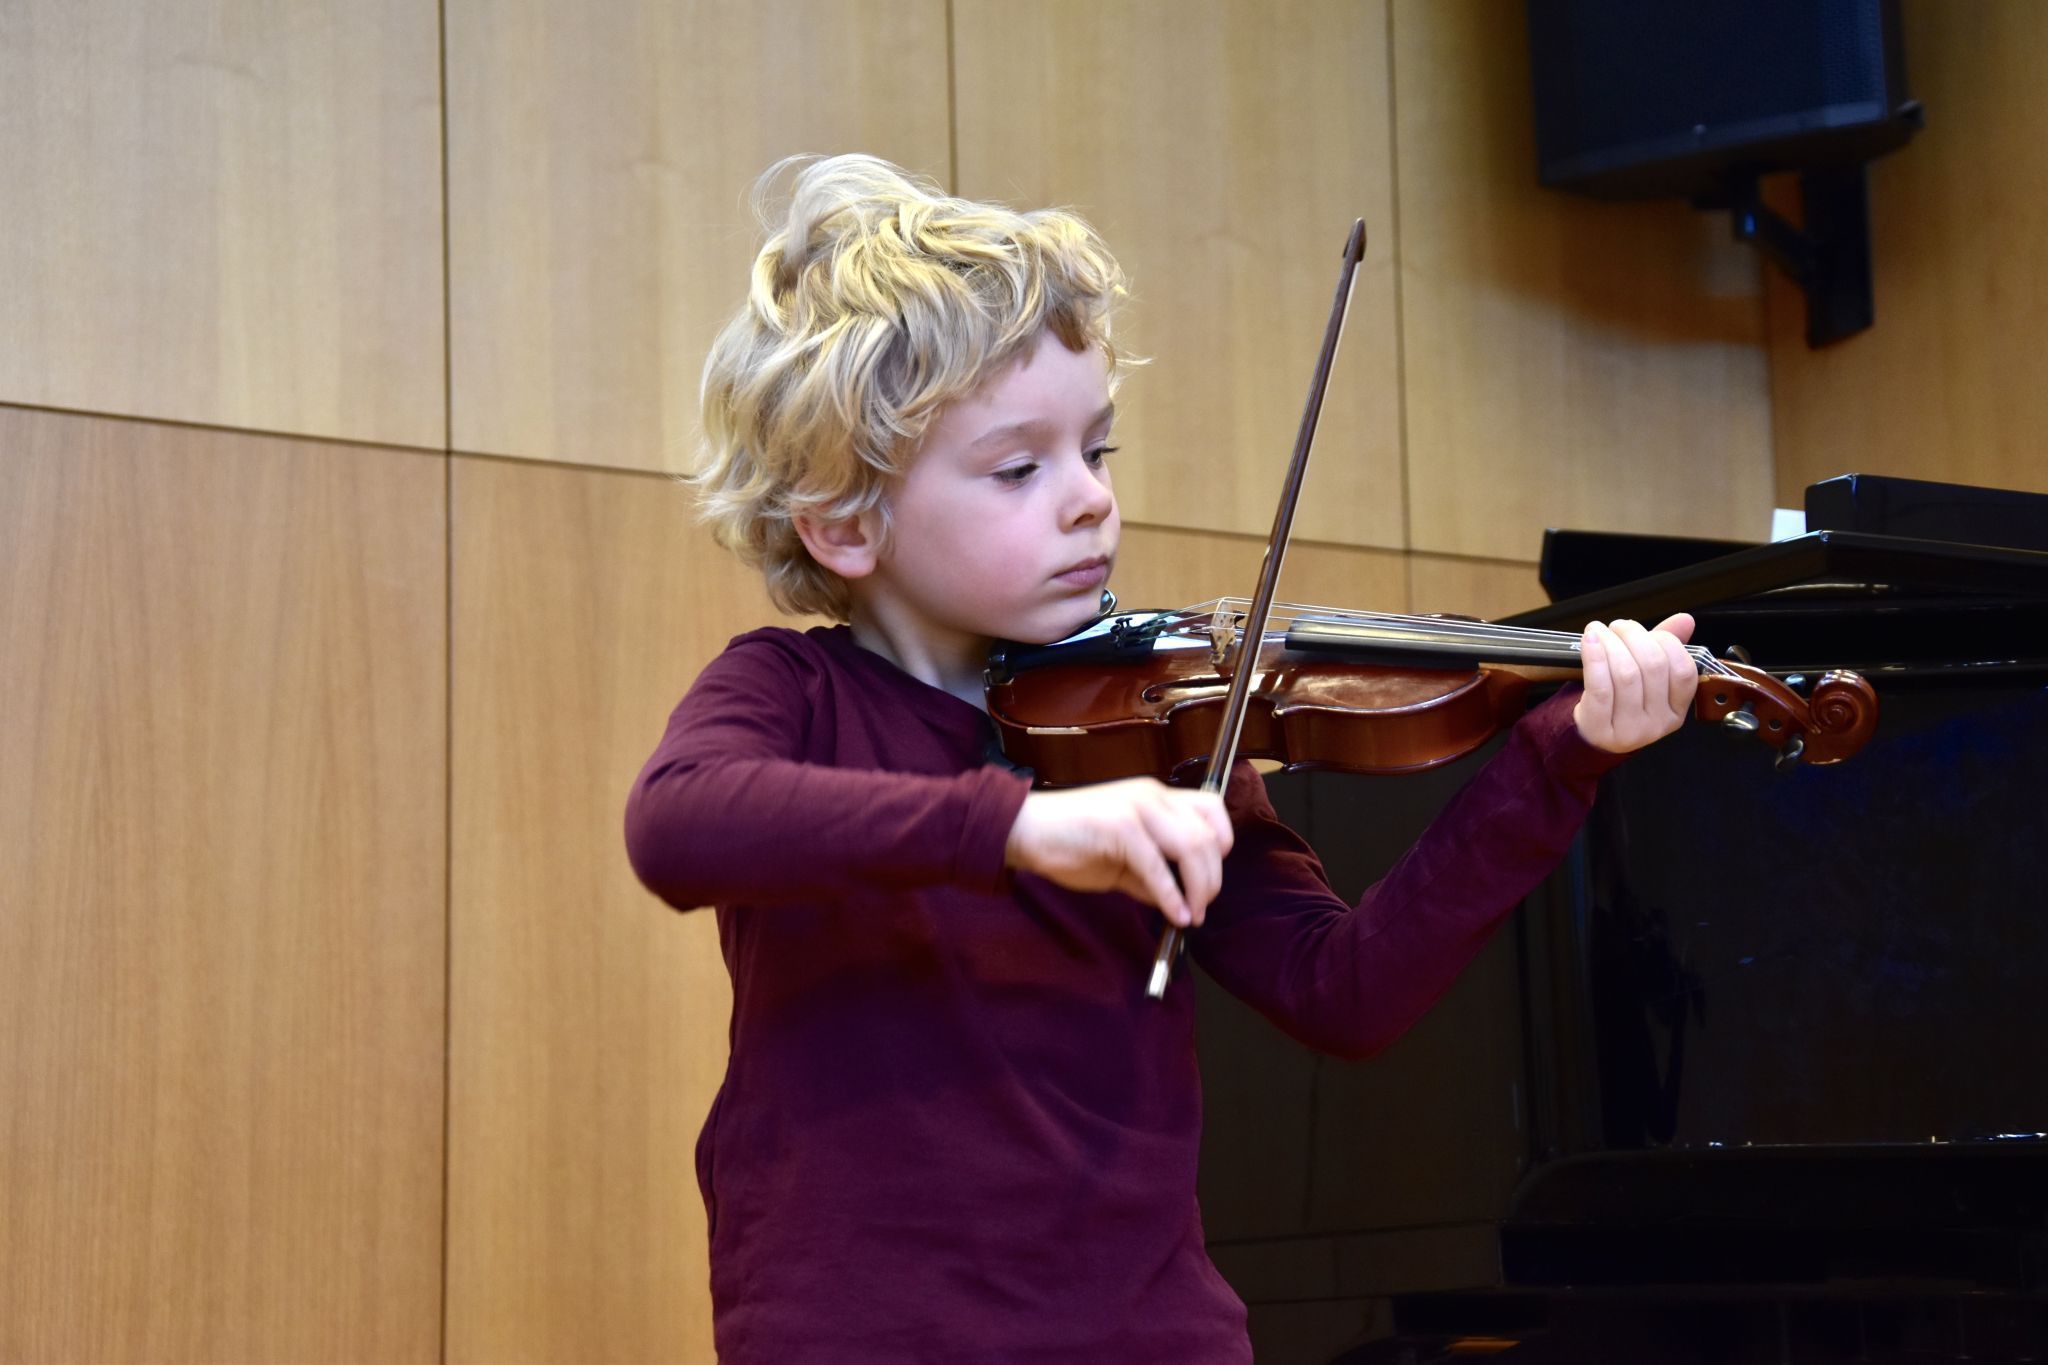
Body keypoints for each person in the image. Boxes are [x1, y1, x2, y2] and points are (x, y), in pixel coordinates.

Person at [624, 153, 1698, 1364]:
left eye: (1098, 451)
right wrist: (1018, 829)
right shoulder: (791, 693)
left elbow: (1342, 989)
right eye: (1019, 468)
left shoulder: (1161, 723)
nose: (1088, 501)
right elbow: (678, 825)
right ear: (844, 522)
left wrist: (1553, 762)